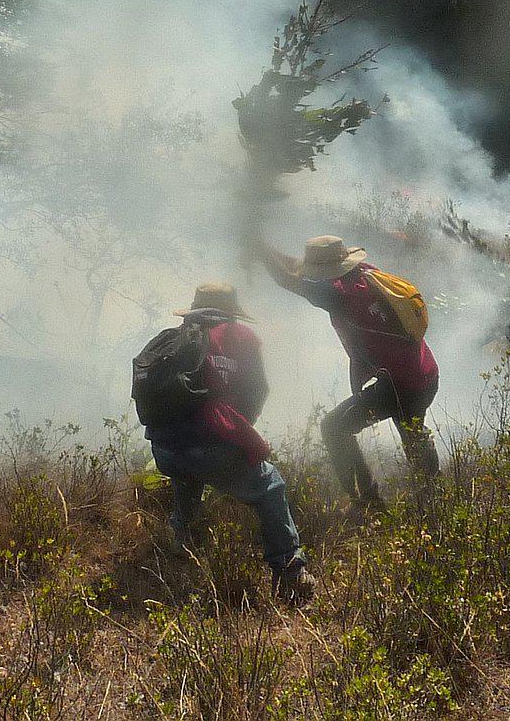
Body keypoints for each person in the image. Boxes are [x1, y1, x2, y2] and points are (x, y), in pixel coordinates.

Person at [144, 282, 316, 604]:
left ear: (195, 308)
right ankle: (291, 571)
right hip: (208, 451)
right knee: (271, 485)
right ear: (230, 310)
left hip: (163, 450)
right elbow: (257, 391)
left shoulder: (175, 338)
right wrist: (237, 431)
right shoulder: (240, 337)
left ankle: (181, 540)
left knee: (188, 473)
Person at [256, 235, 440, 508]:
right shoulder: (365, 275)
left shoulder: (337, 295)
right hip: (424, 372)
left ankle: (366, 500)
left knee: (334, 427)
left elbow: (287, 279)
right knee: (412, 432)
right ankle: (434, 498)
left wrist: (258, 250)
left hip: (400, 384)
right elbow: (298, 268)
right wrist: (265, 246)